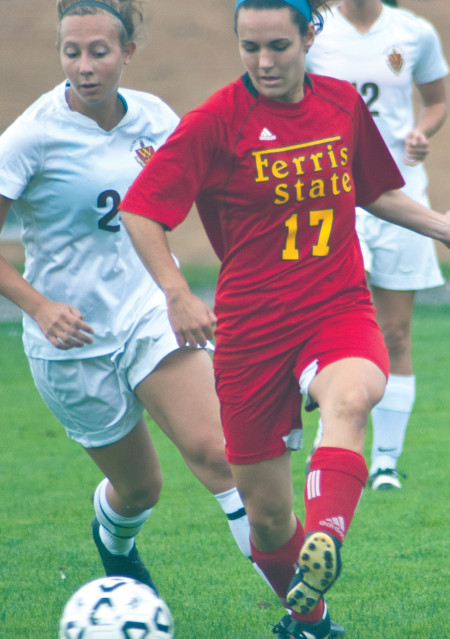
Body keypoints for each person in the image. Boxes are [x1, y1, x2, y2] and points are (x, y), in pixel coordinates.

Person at [118, 0, 450, 636]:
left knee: (351, 398)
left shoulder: (341, 104)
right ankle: (311, 619)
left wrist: (440, 227)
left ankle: (327, 538)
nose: (264, 62)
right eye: (251, 48)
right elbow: (142, 209)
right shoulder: (216, 120)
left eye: (279, 46)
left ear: (309, 35)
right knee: (267, 520)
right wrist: (176, 292)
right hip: (250, 331)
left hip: (337, 304)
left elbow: (375, 190)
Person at [0, 0, 257, 597]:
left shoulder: (155, 119)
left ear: (127, 54)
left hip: (149, 313)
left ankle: (304, 616)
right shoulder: (31, 136)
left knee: (220, 456)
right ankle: (115, 545)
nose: (84, 66)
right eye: (72, 52)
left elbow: (212, 187)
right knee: (142, 489)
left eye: (99, 52)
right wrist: (39, 306)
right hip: (73, 342)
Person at [305, 0, 448, 490]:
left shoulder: (413, 32)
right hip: (336, 192)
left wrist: (421, 132)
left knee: (396, 333)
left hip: (400, 193)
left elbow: (436, 101)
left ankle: (386, 462)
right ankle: (331, 439)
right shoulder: (314, 30)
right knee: (336, 320)